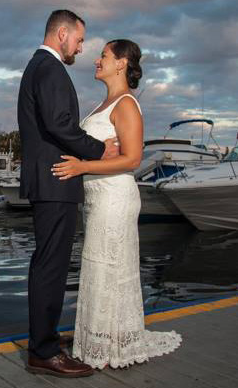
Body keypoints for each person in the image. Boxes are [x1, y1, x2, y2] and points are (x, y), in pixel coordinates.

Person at [52, 39, 182, 369]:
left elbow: (133, 159)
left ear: (122, 63)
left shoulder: (125, 104)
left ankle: (114, 342)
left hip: (115, 197)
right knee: (98, 266)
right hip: (96, 198)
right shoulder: (103, 104)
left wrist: (82, 166)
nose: (97, 60)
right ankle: (99, 339)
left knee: (110, 267)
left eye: (104, 56)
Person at [17, 9, 119, 378]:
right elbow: (59, 124)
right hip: (55, 179)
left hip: (50, 179)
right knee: (50, 266)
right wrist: (98, 150)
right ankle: (43, 352)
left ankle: (44, 338)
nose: (80, 46)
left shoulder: (39, 67)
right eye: (78, 38)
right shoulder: (50, 68)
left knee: (49, 264)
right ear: (62, 34)